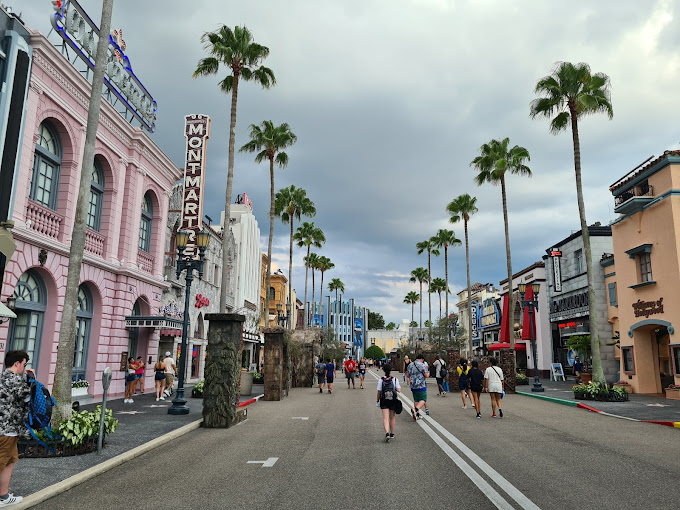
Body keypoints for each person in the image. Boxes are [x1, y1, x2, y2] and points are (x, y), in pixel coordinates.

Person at [0, 350, 36, 506]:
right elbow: (30, 396)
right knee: (3, 461)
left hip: (8, 429)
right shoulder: (15, 380)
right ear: (17, 363)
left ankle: (4, 496)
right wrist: (32, 378)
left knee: (9, 461)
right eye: (24, 364)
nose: (24, 367)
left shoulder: (3, 377)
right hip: (7, 429)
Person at [376, 363, 401, 442]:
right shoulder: (395, 379)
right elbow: (399, 390)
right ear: (390, 370)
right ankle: (392, 433)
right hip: (392, 400)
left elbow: (379, 391)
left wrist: (377, 400)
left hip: (384, 400)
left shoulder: (381, 380)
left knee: (385, 418)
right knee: (392, 417)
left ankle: (387, 433)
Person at [406, 354, 430, 419]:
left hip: (413, 385)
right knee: (423, 399)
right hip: (421, 384)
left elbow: (407, 375)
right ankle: (416, 409)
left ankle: (417, 414)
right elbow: (427, 375)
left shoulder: (410, 365)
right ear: (422, 359)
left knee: (416, 399)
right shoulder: (422, 365)